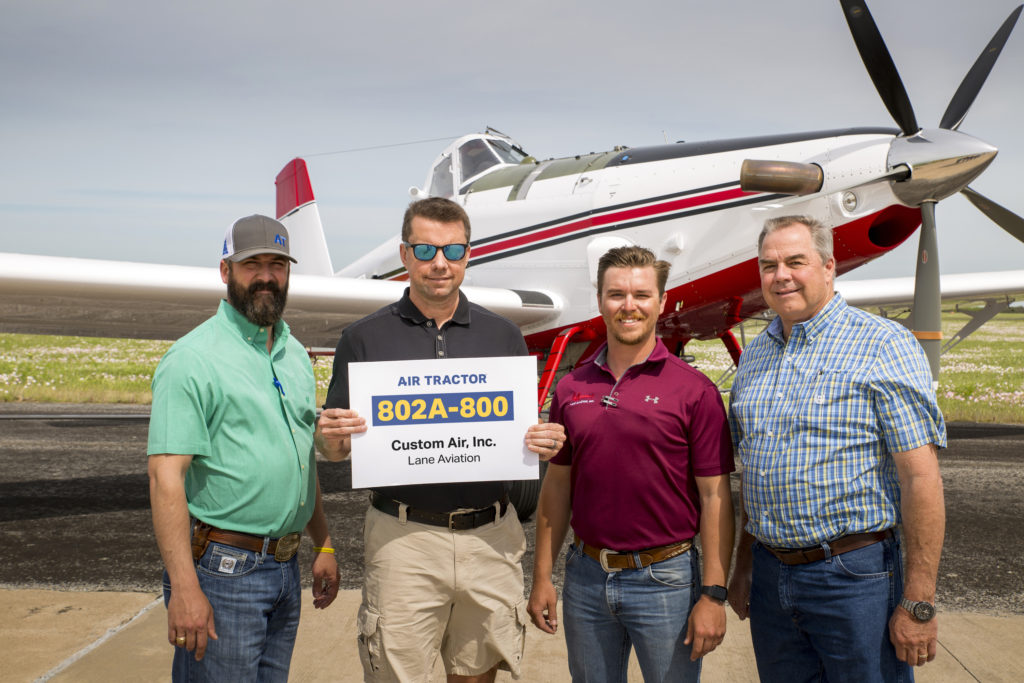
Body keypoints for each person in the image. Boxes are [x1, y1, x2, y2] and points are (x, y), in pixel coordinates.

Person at [315, 197, 565, 683]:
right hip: (403, 540)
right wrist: (330, 439)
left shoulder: (505, 336)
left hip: (491, 538)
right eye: (426, 250)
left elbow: (517, 437)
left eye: (453, 250)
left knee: (477, 675)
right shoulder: (363, 339)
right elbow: (335, 450)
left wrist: (541, 441)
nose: (439, 263)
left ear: (469, 255)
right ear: (405, 255)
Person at [727, 215, 946, 681]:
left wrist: (919, 602)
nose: (780, 275)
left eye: (795, 261)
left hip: (853, 576)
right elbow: (755, 473)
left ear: (829, 267)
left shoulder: (883, 343)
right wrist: (743, 565)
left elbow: (920, 477)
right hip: (771, 576)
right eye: (769, 265)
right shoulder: (755, 356)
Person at [527, 245, 736, 682]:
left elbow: (715, 495)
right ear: (600, 300)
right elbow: (558, 486)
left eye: (642, 295)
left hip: (667, 580)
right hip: (585, 579)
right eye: (616, 294)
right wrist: (542, 577)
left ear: (661, 303)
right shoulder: (570, 388)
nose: (629, 306)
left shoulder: (695, 391)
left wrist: (713, 595)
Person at [148, 215, 339, 682]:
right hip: (222, 573)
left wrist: (325, 543)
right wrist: (186, 590)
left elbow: (298, 461)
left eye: (277, 264)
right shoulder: (193, 358)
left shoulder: (293, 354)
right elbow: (164, 478)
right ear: (225, 271)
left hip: (285, 570)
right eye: (252, 264)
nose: (267, 276)